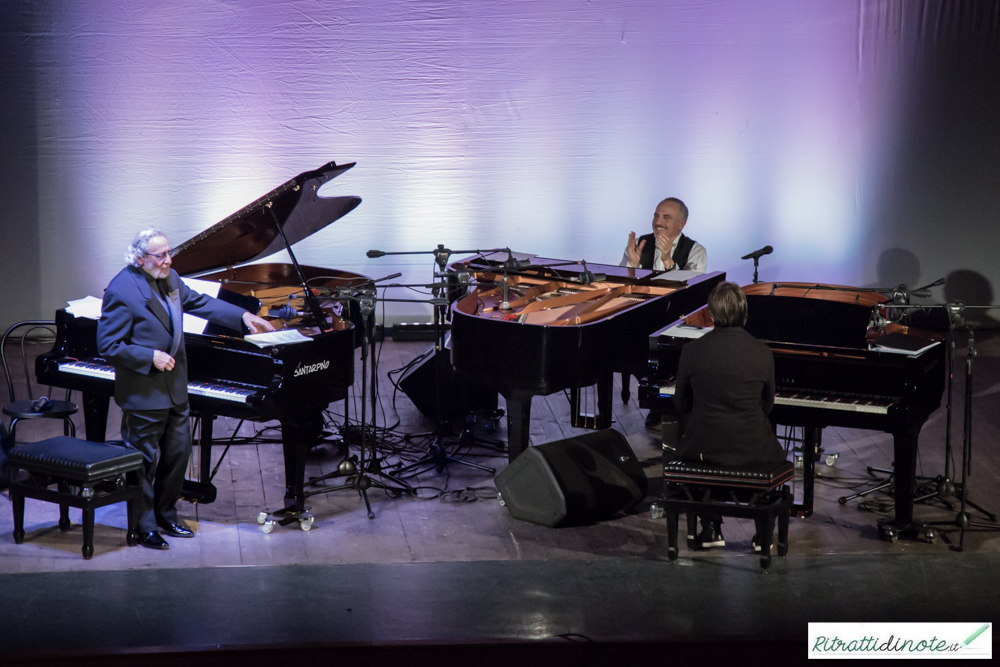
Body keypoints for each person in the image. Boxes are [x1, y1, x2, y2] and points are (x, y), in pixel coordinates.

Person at [97, 227, 274, 550]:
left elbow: (200, 302)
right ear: (140, 259)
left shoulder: (170, 278)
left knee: (178, 455)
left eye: (169, 253)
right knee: (144, 461)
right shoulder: (123, 290)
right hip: (145, 390)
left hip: (176, 388)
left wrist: (244, 316)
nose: (169, 260)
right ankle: (143, 524)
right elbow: (108, 344)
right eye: (161, 255)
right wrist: (149, 356)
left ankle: (166, 514)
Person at [672, 281, 786, 550]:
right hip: (753, 448)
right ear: (745, 314)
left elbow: (680, 403)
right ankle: (762, 534)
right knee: (770, 452)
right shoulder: (762, 352)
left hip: (704, 447)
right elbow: (767, 405)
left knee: (693, 449)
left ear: (711, 315)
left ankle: (710, 528)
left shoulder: (691, 351)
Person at [621, 197, 707, 273]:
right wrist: (633, 264)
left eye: (666, 217)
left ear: (681, 224)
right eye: (656, 216)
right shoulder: (637, 245)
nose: (658, 222)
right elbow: (619, 284)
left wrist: (668, 262)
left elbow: (692, 288)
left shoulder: (695, 251)